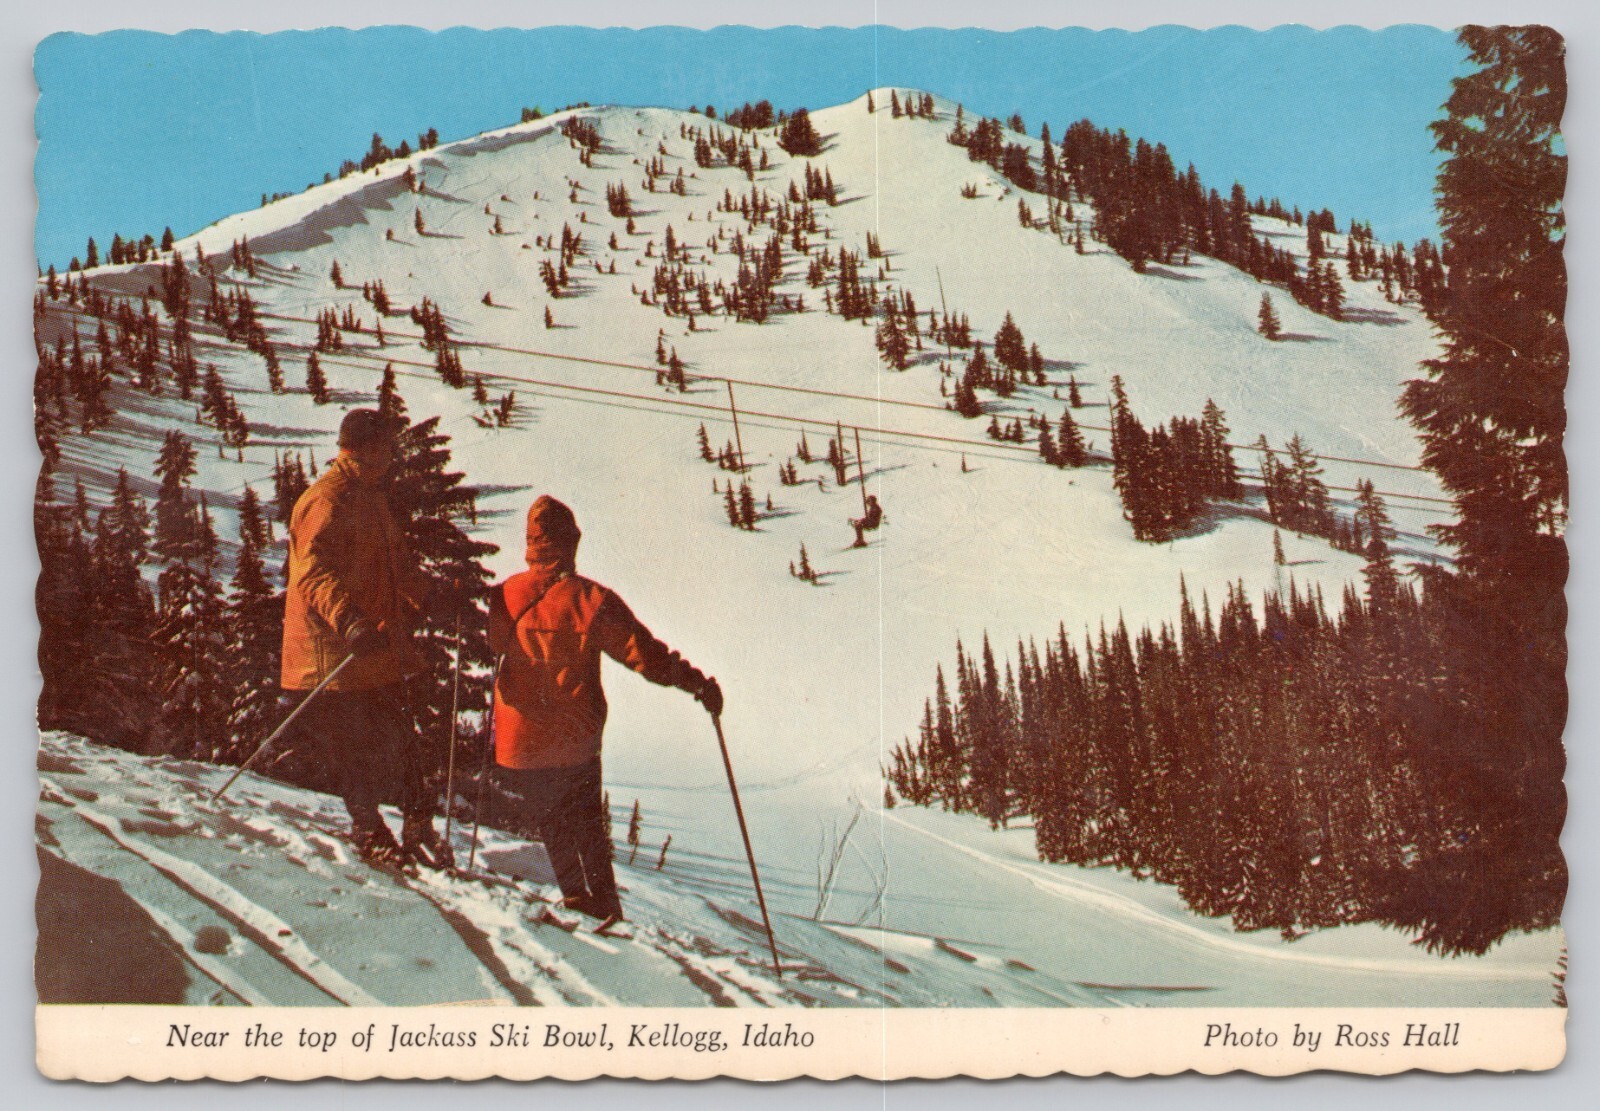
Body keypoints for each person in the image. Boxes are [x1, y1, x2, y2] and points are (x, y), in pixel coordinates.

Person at [489, 495, 721, 923]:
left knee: (552, 820)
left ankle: (576, 897)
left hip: (518, 740)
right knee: (587, 825)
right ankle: (605, 906)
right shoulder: (590, 600)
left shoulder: (505, 594)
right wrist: (697, 684)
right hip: (573, 738)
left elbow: (489, 645)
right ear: (568, 543)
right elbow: (646, 657)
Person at [280, 408, 451, 868]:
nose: (394, 456)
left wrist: (425, 595)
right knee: (353, 750)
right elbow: (311, 574)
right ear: (365, 449)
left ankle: (419, 825)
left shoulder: (370, 497)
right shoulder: (326, 501)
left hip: (373, 645)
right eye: (388, 447)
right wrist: (349, 620)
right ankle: (369, 831)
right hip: (332, 650)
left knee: (401, 738)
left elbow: (395, 564)